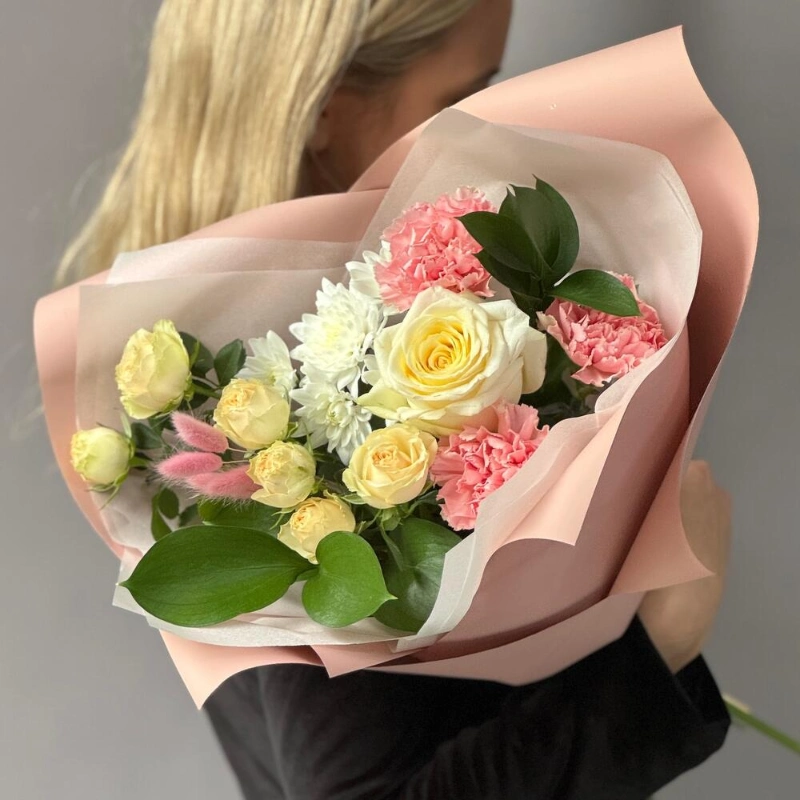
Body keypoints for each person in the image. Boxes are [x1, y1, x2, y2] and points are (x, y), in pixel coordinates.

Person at [58, 2, 733, 797]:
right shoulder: (278, 425)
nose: (490, 122)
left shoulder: (198, 365)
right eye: (463, 94)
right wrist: (659, 645)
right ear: (324, 110)